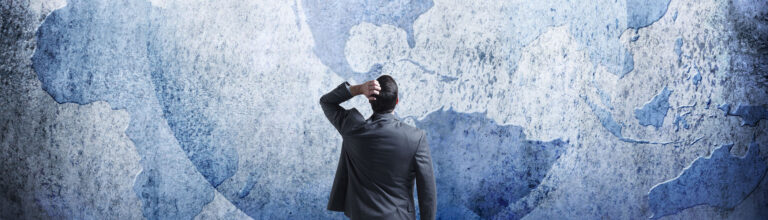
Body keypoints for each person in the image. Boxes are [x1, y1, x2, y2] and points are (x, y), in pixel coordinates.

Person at [319, 75, 436, 220]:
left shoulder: (351, 128)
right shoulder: (416, 138)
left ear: (370, 100)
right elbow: (427, 192)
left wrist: (359, 89)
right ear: (397, 101)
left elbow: (326, 102)